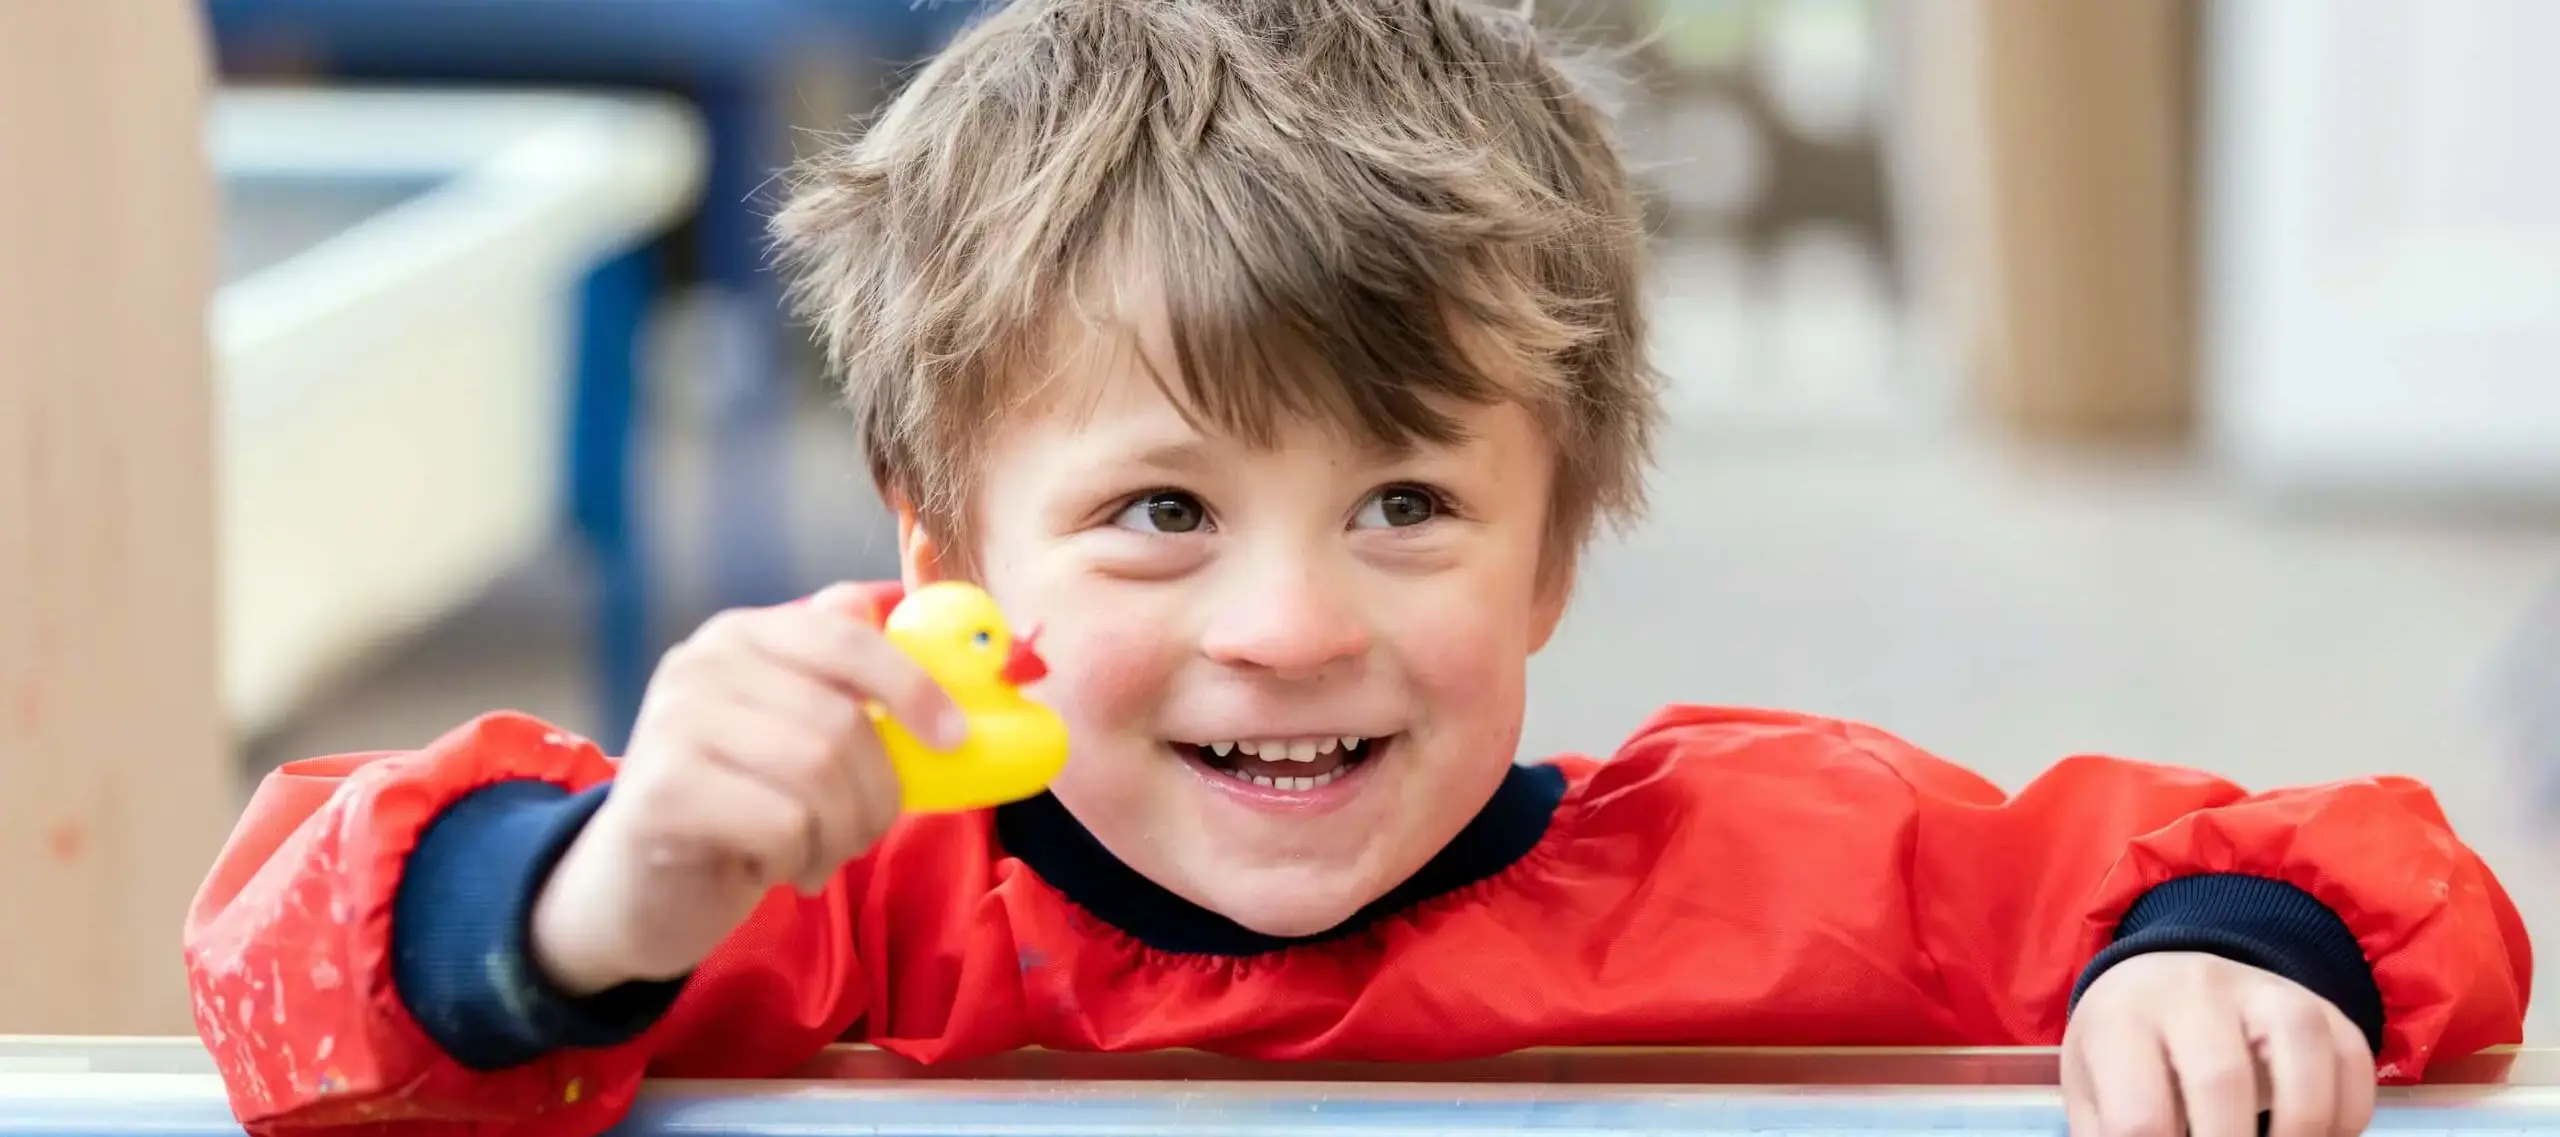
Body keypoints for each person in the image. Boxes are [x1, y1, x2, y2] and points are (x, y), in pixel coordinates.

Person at [183, 2, 2532, 1136]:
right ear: (939, 561)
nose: (1289, 623)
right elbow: (276, 975)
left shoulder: (1792, 858)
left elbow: (2360, 869)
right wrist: (598, 893)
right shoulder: (834, 907)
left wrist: (2230, 964)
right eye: (1159, 512)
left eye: (1405, 506)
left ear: (1551, 561)